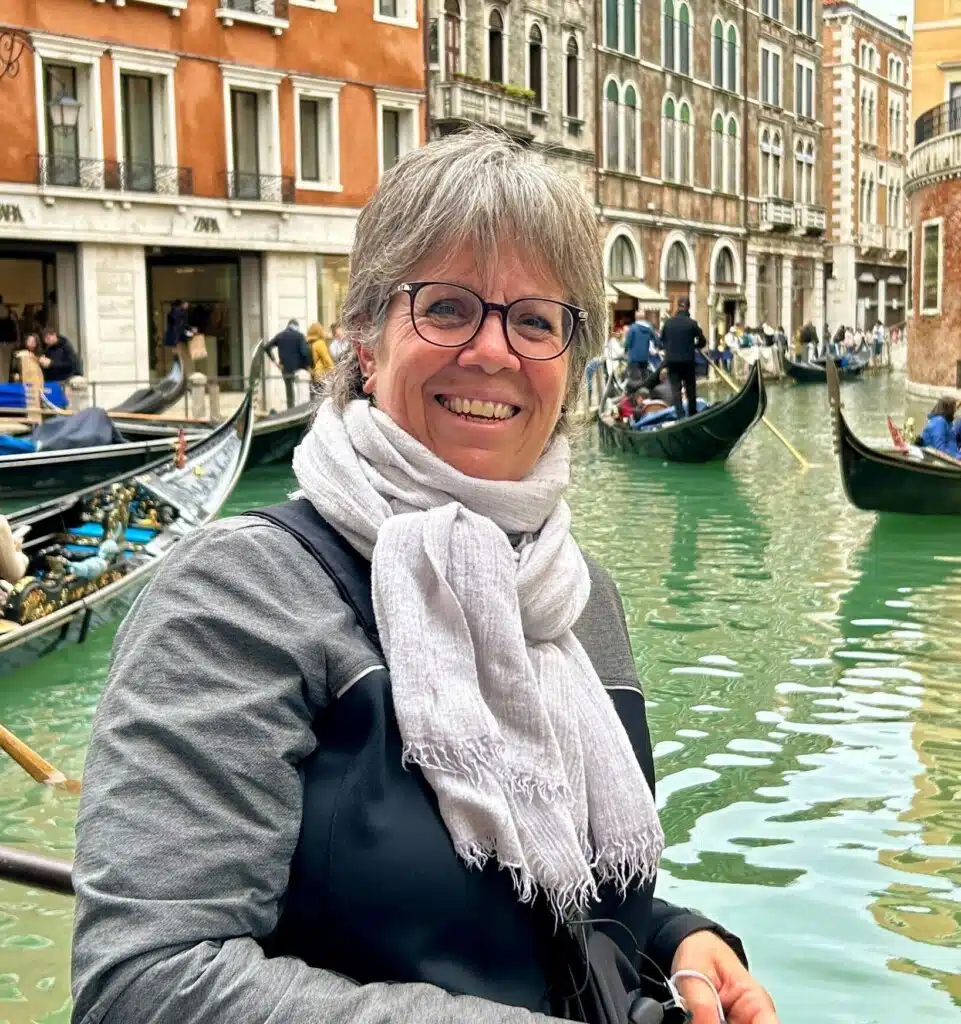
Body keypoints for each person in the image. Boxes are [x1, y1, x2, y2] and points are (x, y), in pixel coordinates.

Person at [71, 129, 778, 1024]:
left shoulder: (577, 594)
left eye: (535, 321)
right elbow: (143, 984)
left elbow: (535, 880)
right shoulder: (239, 592)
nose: (493, 351)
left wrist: (670, 936)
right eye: (446, 308)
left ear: (570, 366)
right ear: (364, 342)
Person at [660, 296, 707, 420]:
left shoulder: (668, 323)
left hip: (672, 361)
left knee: (676, 389)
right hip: (687, 360)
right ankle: (692, 414)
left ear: (678, 306)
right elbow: (703, 341)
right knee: (690, 388)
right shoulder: (692, 323)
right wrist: (695, 346)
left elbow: (662, 341)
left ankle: (680, 416)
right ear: (688, 307)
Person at [265, 318, 310, 409]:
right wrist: (307, 366)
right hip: (299, 368)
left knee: (289, 391)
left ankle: (290, 410)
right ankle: (301, 410)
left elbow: (266, 347)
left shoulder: (280, 335)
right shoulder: (300, 336)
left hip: (285, 367)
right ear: (296, 326)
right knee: (301, 391)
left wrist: (275, 361)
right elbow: (304, 353)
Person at [624, 311, 657, 386]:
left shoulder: (633, 328)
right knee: (644, 377)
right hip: (644, 357)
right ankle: (644, 390)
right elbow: (655, 339)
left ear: (636, 317)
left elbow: (628, 342)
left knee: (634, 379)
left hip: (634, 357)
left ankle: (636, 392)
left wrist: (625, 350)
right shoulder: (649, 328)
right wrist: (655, 348)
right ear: (644, 318)